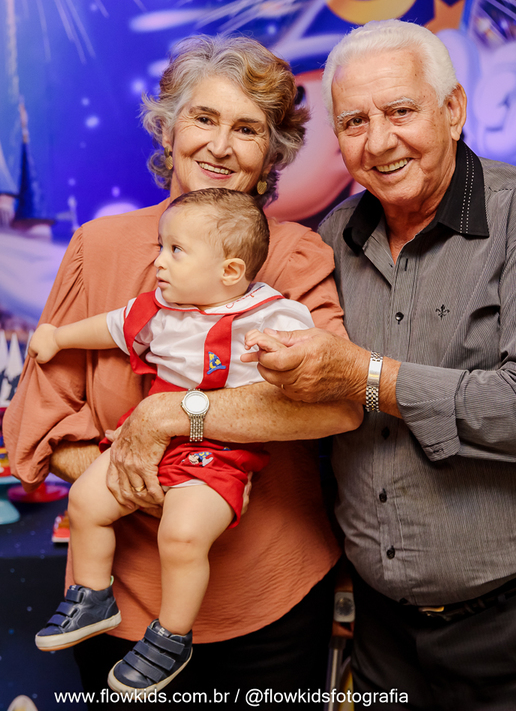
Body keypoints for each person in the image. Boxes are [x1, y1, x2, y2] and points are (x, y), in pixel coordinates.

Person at [245, 19, 516, 710]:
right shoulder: (332, 239)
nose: (378, 141)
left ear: (453, 110)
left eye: (400, 111)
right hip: (384, 630)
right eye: (354, 122)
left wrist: (367, 378)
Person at [3, 35, 360, 708]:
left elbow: (337, 402)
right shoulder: (96, 249)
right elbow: (41, 423)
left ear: (273, 154)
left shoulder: (295, 256)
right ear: (168, 131)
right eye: (203, 118)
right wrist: (145, 480)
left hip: (269, 597)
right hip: (121, 603)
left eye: (247, 129)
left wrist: (172, 417)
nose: (220, 146)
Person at [29, 188, 315, 694]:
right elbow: (111, 327)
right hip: (146, 446)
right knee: (86, 501)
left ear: (230, 271)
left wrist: (280, 353)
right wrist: (58, 338)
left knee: (182, 535)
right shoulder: (160, 311)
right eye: (161, 246)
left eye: (176, 251)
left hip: (219, 454)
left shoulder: (270, 313)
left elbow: (311, 355)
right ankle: (93, 596)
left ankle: (172, 634)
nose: (159, 261)